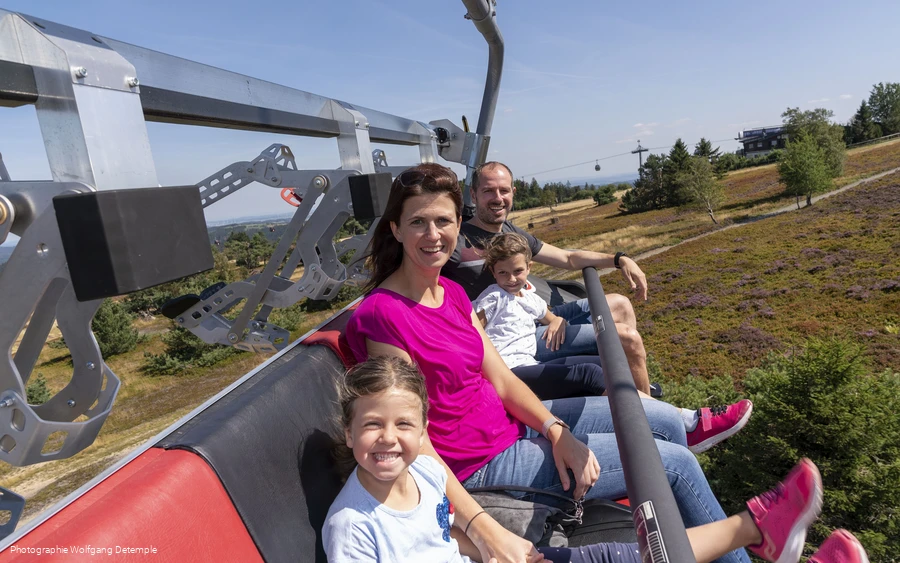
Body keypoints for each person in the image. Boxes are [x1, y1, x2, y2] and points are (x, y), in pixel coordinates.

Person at [345, 162, 750, 563]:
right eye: (418, 222)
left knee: (662, 421)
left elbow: (502, 380)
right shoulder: (384, 316)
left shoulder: (450, 292)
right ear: (396, 229)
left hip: (508, 425)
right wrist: (482, 528)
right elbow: (410, 435)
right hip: (478, 462)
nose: (433, 235)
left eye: (443, 221)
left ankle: (683, 534)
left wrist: (555, 430)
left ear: (458, 224)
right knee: (676, 466)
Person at [323, 355, 870, 563]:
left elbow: (440, 534)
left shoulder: (423, 470)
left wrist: (493, 546)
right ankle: (758, 528)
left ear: (425, 432)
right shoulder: (352, 527)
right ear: (348, 433)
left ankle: (756, 527)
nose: (388, 439)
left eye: (404, 425)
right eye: (372, 425)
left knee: (626, 555)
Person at [474, 232, 753, 454]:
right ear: (493, 272)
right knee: (589, 374)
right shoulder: (493, 297)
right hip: (509, 374)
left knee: (604, 362)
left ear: (529, 267)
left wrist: (557, 321)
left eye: (517, 271)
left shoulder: (528, 297)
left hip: (528, 364)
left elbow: (550, 316)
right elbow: (471, 329)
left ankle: (652, 421)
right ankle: (686, 423)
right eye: (502, 273)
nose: (511, 279)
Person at [442, 161, 652, 394]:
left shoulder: (510, 231)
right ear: (473, 195)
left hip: (536, 312)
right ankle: (644, 409)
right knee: (627, 338)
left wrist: (619, 259)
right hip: (515, 333)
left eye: (504, 190)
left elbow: (567, 258)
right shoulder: (457, 243)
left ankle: (634, 383)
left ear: (513, 192)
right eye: (488, 191)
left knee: (621, 304)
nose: (498, 198)